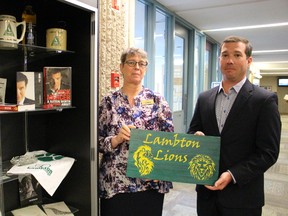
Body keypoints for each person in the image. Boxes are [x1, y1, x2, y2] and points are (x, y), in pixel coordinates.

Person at [187, 36, 281, 216]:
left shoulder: (264, 100)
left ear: (249, 60)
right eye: (224, 55)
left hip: (242, 197)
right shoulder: (204, 98)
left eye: (237, 55)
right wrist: (195, 136)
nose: (229, 60)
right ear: (219, 59)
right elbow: (192, 130)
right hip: (206, 194)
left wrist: (232, 174)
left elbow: (268, 152)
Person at [98, 47, 174, 216]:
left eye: (142, 63)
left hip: (149, 182)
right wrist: (116, 139)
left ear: (146, 68)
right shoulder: (108, 102)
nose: (137, 67)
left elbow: (170, 142)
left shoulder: (157, 100)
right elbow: (97, 142)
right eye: (131, 63)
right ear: (121, 67)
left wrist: (160, 170)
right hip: (115, 183)